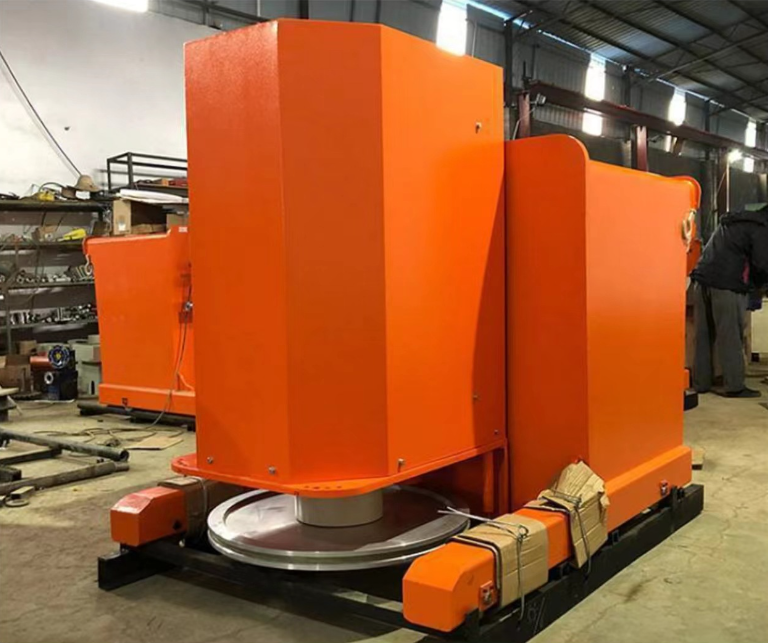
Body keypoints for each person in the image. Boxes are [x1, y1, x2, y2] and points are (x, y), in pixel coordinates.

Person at [691, 206, 768, 398]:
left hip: (701, 280)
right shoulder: (760, 227)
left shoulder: (733, 221)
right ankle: (734, 386)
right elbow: (762, 264)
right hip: (727, 284)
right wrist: (760, 286)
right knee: (731, 335)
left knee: (703, 335)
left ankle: (701, 383)